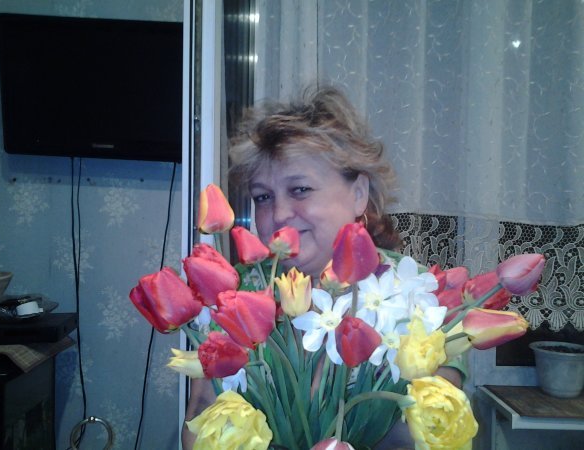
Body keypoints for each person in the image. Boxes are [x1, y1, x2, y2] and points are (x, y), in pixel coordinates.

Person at [183, 85, 462, 449]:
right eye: (263, 197)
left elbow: (432, 434)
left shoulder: (417, 294)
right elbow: (201, 422)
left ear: (358, 194)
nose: (278, 214)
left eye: (300, 189)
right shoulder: (238, 295)